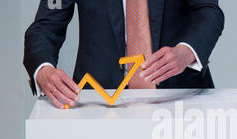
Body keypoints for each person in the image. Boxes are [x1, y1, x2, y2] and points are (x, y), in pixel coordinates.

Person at [24, 0, 224, 108]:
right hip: (99, 106)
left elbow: (208, 11)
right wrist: (43, 70)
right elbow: (45, 27)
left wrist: (186, 51)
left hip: (183, 101)